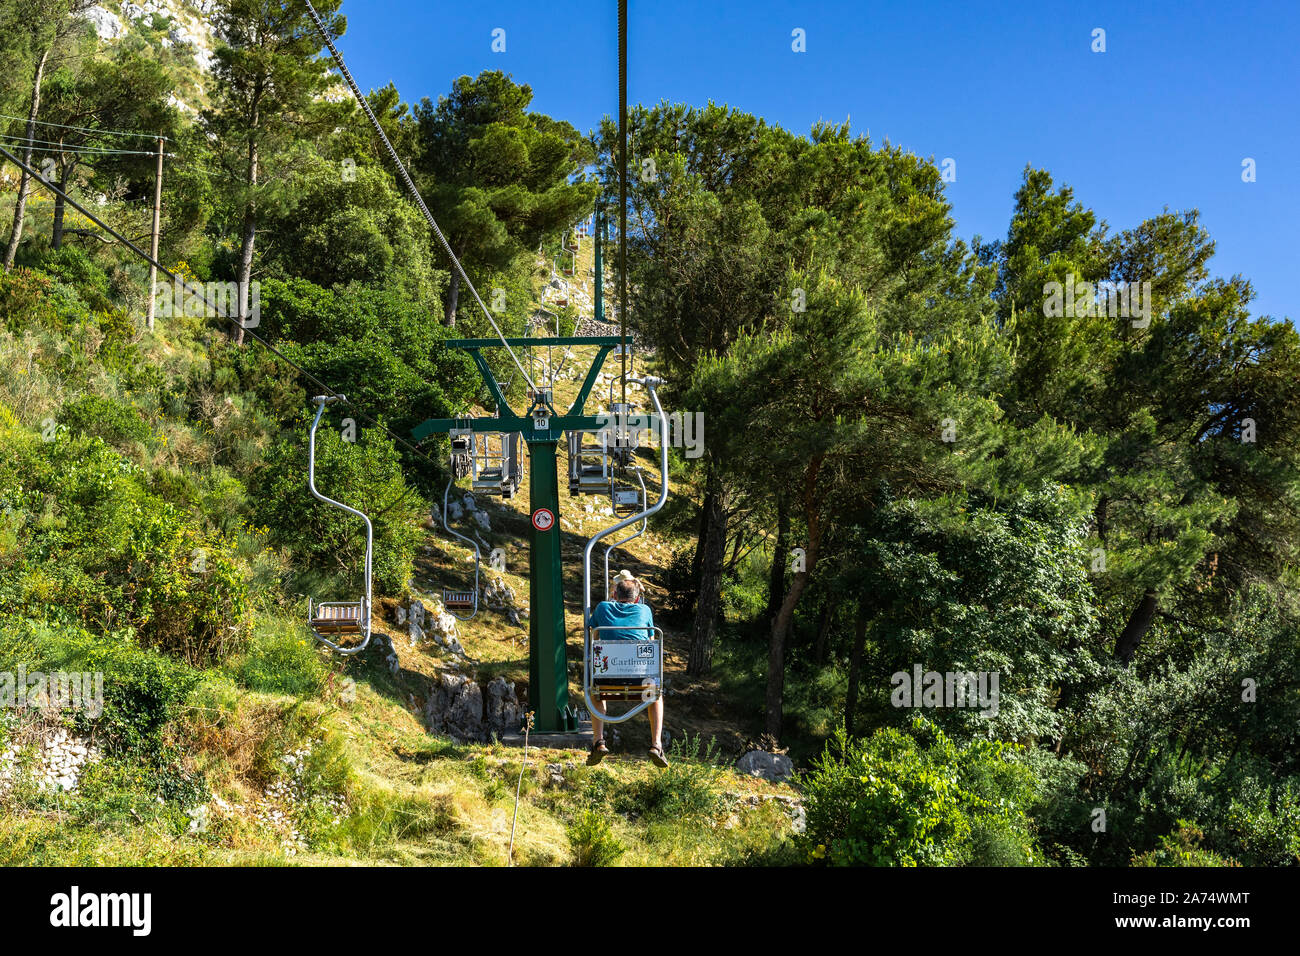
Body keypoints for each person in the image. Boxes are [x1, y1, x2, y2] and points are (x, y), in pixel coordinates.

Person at [586, 571, 667, 767]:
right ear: (637, 598)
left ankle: (598, 741)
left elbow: (592, 628)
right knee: (655, 695)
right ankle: (656, 744)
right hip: (640, 679)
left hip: (608, 678)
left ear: (614, 594)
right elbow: (650, 637)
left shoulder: (603, 607)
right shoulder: (644, 610)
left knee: (596, 691)